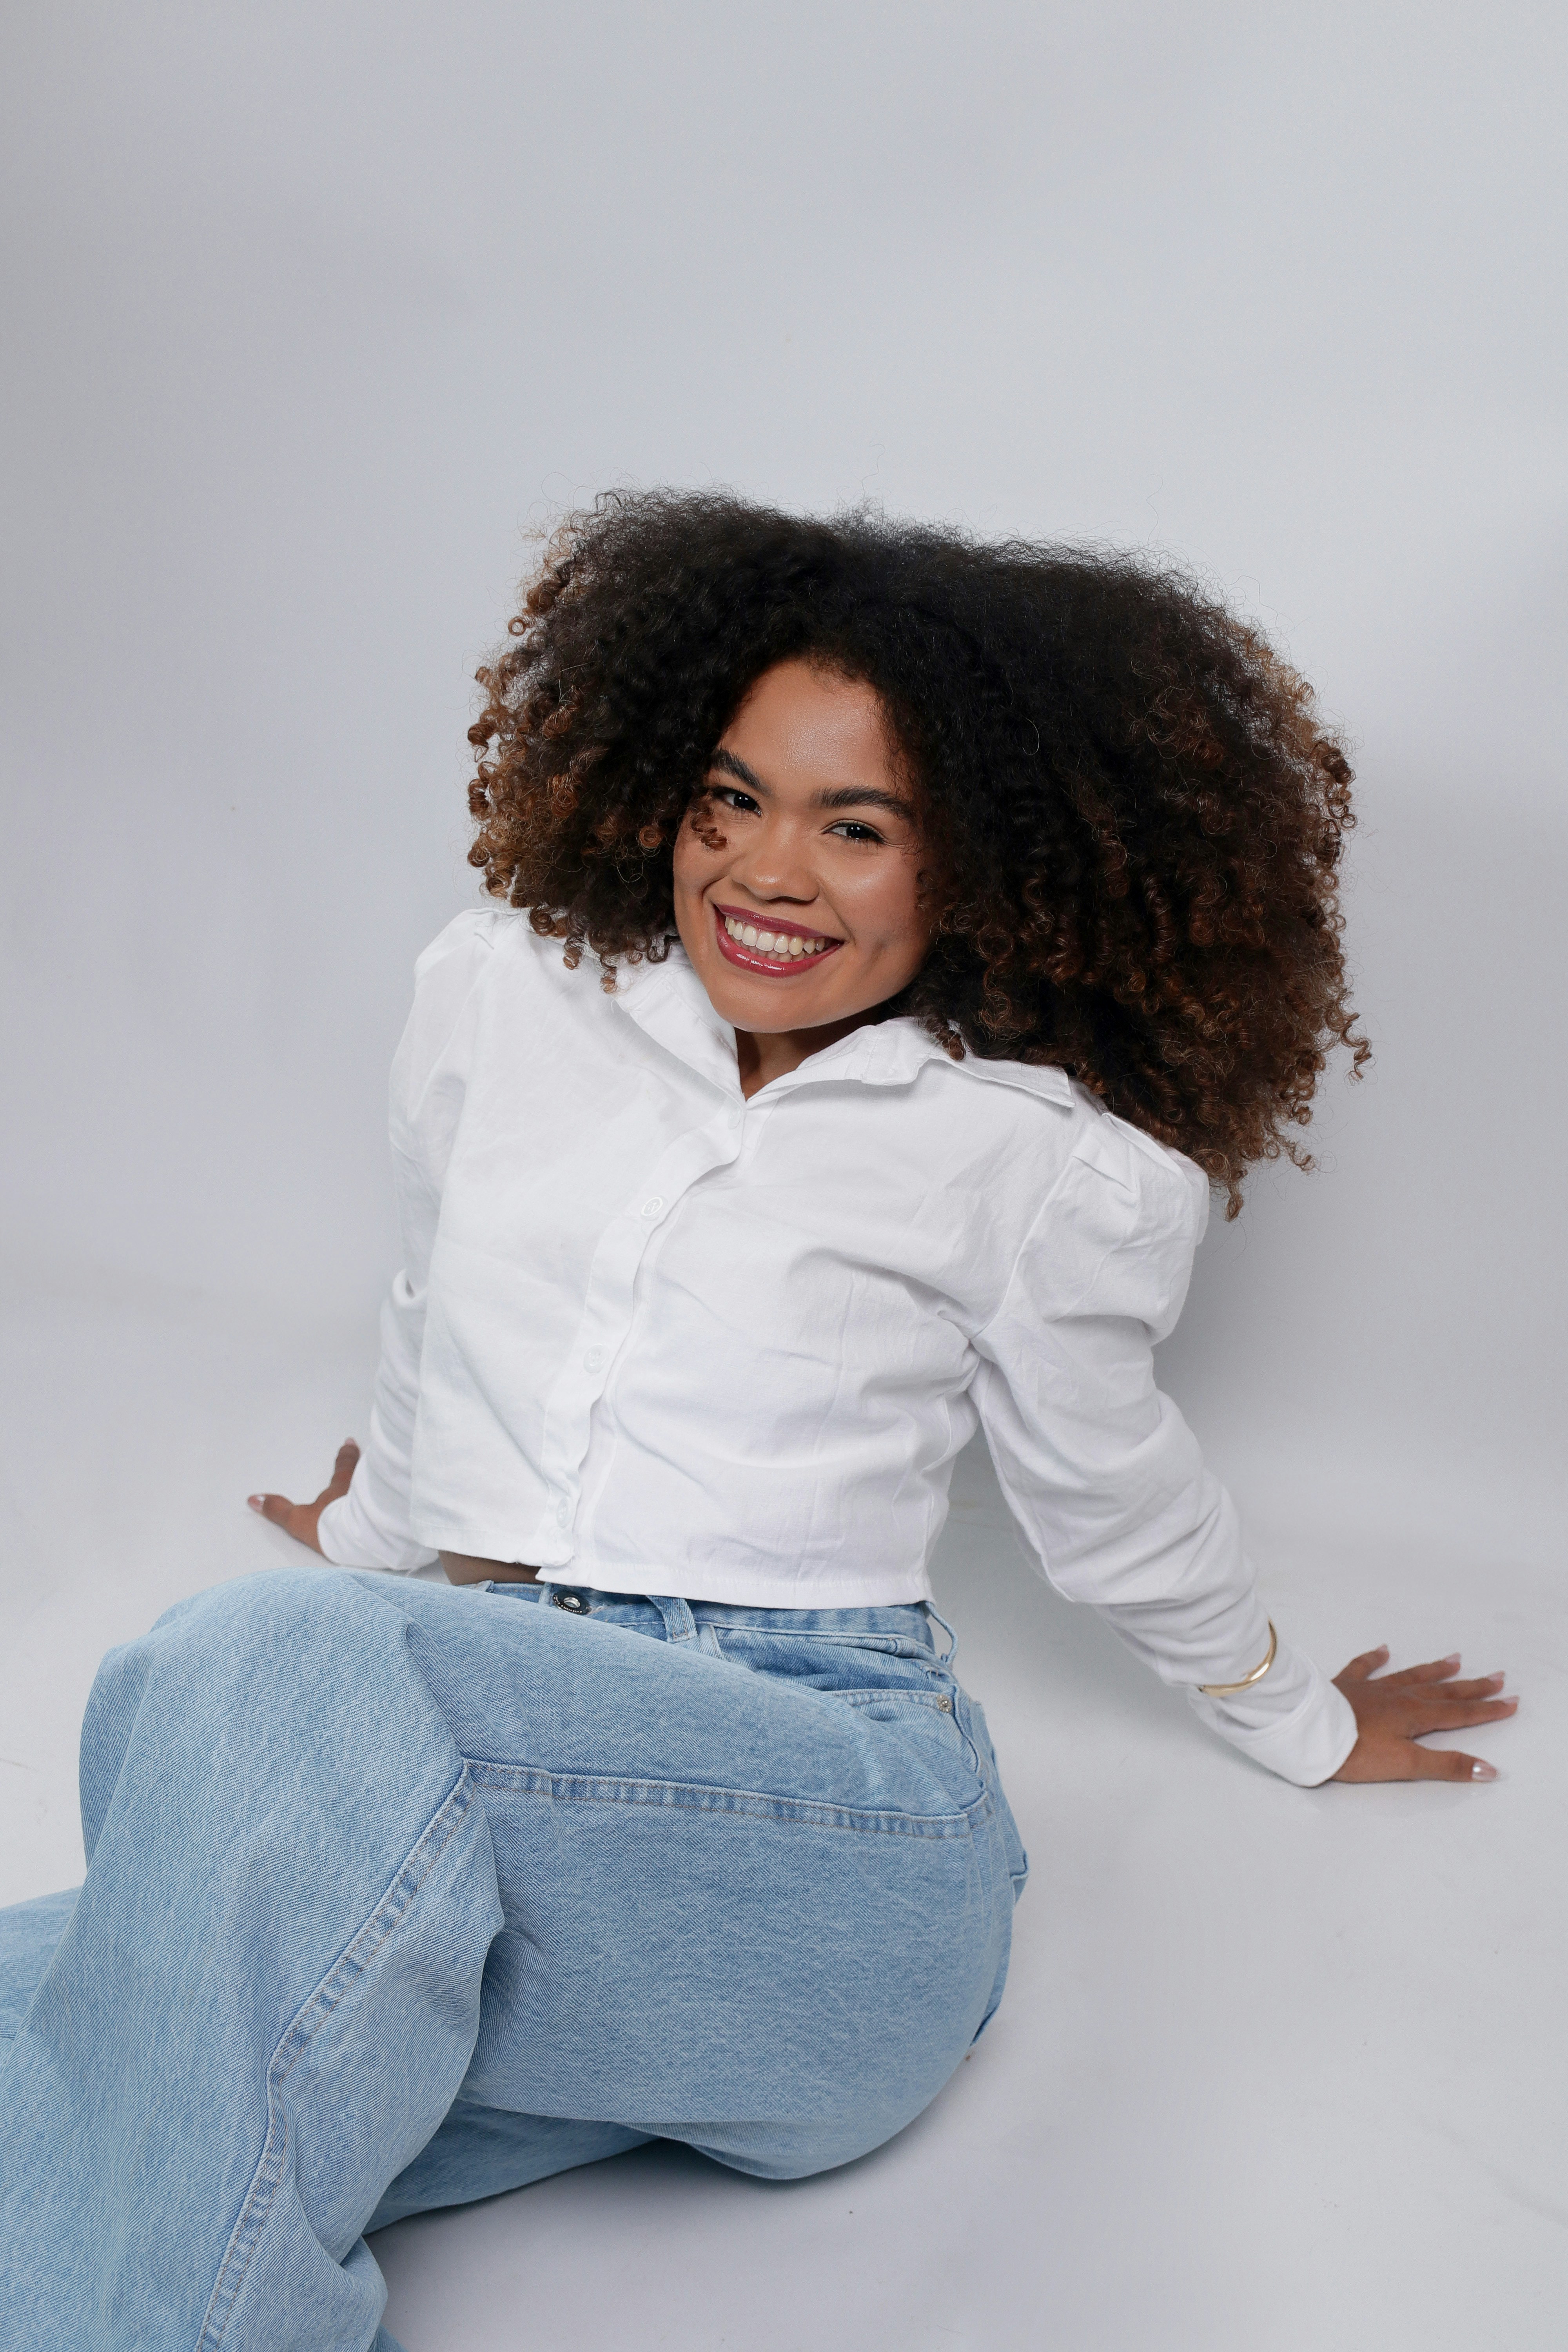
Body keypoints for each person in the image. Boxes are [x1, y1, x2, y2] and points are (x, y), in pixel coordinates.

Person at [0, 495, 1517, 2348]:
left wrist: (1294, 1711)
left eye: (855, 827)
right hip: (496, 1815)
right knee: (95, 2004)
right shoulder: (505, 992)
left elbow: (1110, 1490)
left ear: (974, 869)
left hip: (828, 1838)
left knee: (209, 1758)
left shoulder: (1035, 1161)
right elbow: (438, 1314)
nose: (766, 870)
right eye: (730, 800)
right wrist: (380, 1554)